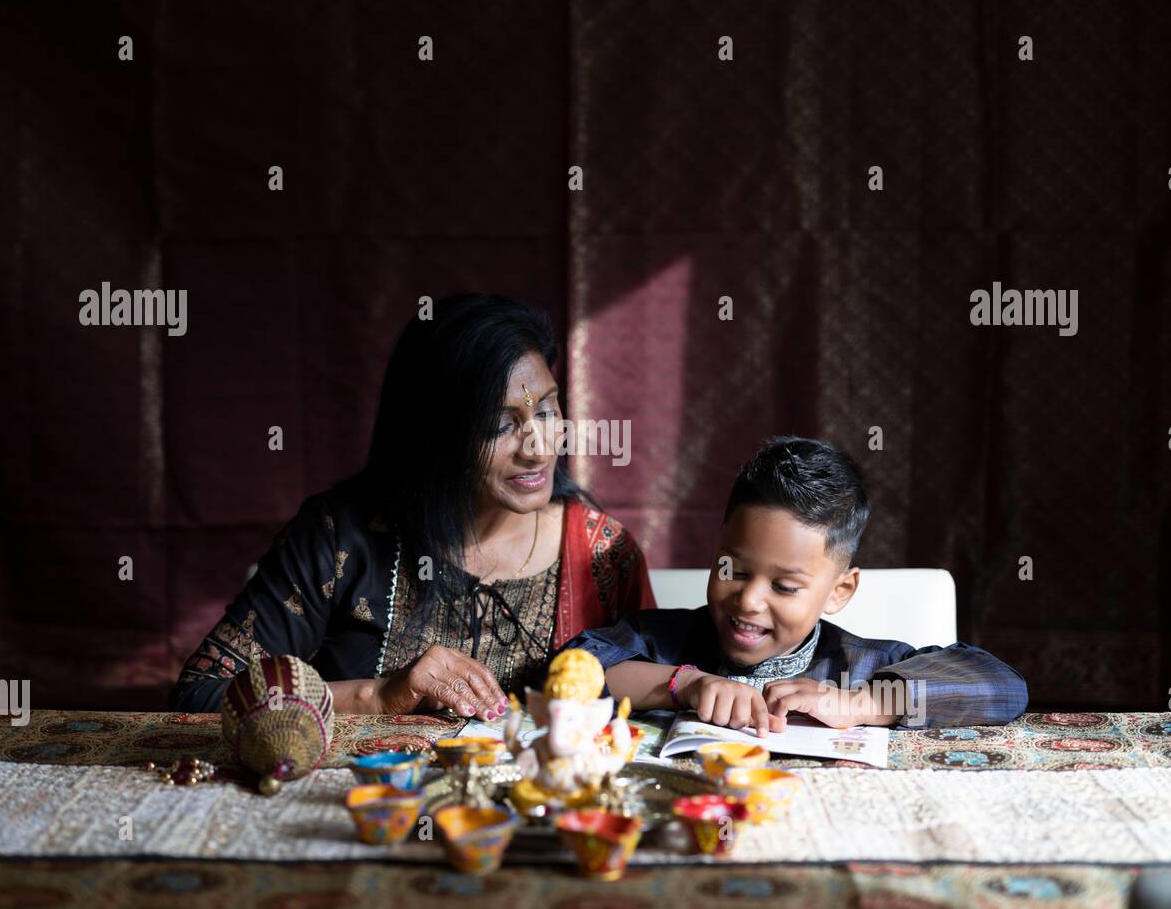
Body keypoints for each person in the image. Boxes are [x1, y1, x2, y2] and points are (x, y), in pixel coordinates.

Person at [168, 293, 655, 717]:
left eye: (546, 410)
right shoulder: (340, 537)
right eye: (499, 425)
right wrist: (377, 696)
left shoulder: (602, 556)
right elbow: (200, 698)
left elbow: (656, 713)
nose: (540, 448)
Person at [560, 436, 1029, 733]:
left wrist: (862, 703)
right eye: (734, 570)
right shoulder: (659, 642)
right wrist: (684, 684)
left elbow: (1004, 687)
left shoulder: (863, 666)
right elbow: (575, 667)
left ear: (839, 591)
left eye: (784, 586)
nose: (748, 599)